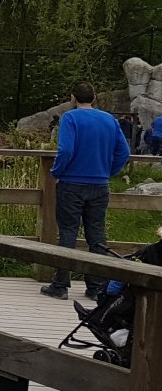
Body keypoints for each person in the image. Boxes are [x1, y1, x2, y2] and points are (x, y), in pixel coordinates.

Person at [40, 82, 132, 300]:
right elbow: (124, 152)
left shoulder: (70, 118)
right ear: (94, 97)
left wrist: (57, 171)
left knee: (68, 232)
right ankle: (96, 287)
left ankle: (61, 284)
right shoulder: (109, 120)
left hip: (71, 183)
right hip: (100, 184)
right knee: (96, 234)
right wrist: (108, 171)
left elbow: (65, 150)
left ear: (73, 98)